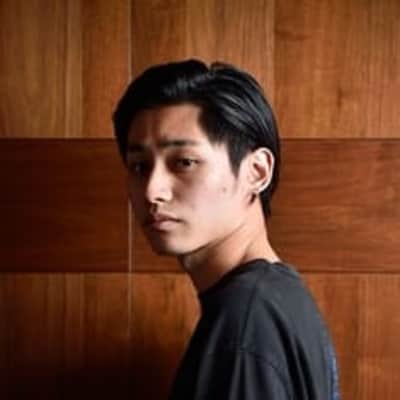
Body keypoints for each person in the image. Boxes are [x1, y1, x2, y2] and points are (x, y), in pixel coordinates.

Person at [113, 59, 341, 399]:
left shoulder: (247, 320)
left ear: (256, 172)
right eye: (139, 166)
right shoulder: (273, 298)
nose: (152, 191)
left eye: (184, 162)